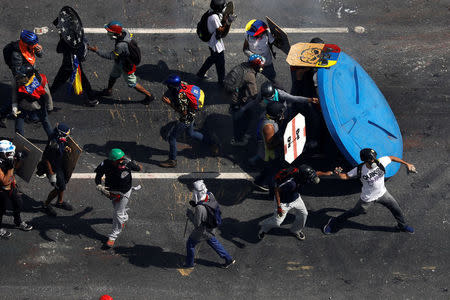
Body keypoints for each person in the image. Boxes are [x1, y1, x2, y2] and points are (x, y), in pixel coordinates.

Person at [322, 148, 417, 234]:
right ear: (365, 161)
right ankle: (334, 221)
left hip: (383, 193)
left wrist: (407, 164)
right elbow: (346, 176)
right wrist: (338, 174)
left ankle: (402, 226)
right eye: (371, 160)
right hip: (368, 199)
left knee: (396, 209)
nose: (374, 161)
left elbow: (391, 158)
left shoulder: (380, 162)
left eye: (374, 158)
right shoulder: (360, 169)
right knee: (354, 212)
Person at [159, 75, 219, 168]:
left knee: (172, 138)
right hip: (192, 113)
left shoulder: (181, 97)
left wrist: (169, 103)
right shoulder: (183, 84)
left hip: (186, 118)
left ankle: (172, 160)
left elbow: (183, 113)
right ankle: (212, 143)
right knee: (191, 133)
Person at [88, 21, 154, 104]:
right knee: (113, 75)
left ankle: (149, 95)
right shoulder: (124, 32)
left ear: (115, 33)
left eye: (109, 32)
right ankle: (108, 91)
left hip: (126, 65)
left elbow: (111, 56)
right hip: (119, 61)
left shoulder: (121, 46)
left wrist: (96, 51)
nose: (108, 33)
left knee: (132, 83)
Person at [258, 165, 325, 241]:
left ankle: (296, 230)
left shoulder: (303, 175)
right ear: (303, 177)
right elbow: (277, 191)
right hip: (283, 203)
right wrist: (279, 207)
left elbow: (316, 173)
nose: (310, 180)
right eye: (309, 179)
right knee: (277, 222)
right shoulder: (291, 183)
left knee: (304, 214)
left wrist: (328, 173)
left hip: (296, 199)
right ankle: (264, 228)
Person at [94, 148, 142, 248]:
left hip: (124, 192)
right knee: (118, 209)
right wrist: (99, 185)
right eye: (119, 160)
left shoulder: (127, 163)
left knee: (117, 213)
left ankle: (113, 236)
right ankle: (124, 218)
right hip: (111, 191)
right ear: (112, 161)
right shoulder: (106, 163)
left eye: (122, 158)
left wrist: (135, 164)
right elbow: (98, 176)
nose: (122, 161)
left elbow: (138, 168)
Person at [184, 180, 235, 269]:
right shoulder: (210, 195)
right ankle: (228, 259)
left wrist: (190, 214)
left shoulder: (200, 208)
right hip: (211, 227)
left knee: (190, 244)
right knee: (212, 241)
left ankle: (189, 264)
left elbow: (197, 223)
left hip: (201, 231)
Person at [50, 14, 99, 106]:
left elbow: (59, 50)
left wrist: (61, 38)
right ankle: (91, 97)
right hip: (76, 61)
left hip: (69, 64)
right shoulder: (76, 31)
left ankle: (46, 97)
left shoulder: (65, 38)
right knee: (83, 79)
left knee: (58, 82)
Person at [260, 81, 320, 150]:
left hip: (282, 112)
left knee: (287, 127)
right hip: (274, 114)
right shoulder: (263, 94)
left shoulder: (281, 94)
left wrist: (309, 100)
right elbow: (256, 101)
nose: (269, 99)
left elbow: (295, 98)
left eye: (271, 97)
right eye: (267, 98)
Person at [224, 54, 265, 146]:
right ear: (255, 66)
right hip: (237, 100)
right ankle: (238, 140)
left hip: (233, 95)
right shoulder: (250, 75)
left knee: (243, 117)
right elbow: (254, 94)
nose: (262, 68)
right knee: (240, 121)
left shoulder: (243, 66)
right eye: (260, 66)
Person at [196, 0, 235, 85]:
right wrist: (228, 22)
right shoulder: (214, 18)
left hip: (211, 41)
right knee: (220, 63)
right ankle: (222, 81)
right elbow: (221, 33)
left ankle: (200, 73)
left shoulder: (211, 12)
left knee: (213, 58)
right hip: (215, 44)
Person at [0, 140, 33, 239]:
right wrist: (10, 167)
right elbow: (5, 181)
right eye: (9, 153)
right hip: (1, 190)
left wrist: (19, 160)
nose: (11, 154)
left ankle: (18, 222)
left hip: (11, 187)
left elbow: (15, 170)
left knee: (18, 203)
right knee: (1, 210)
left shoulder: (7, 158)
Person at [39, 123, 74, 217]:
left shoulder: (59, 140)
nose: (67, 136)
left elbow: (62, 146)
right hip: (54, 168)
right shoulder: (53, 144)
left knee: (63, 183)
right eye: (66, 135)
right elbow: (46, 159)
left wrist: (65, 148)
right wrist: (51, 174)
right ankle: (45, 205)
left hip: (59, 164)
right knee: (59, 187)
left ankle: (60, 202)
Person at [253, 102, 286, 192]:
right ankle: (273, 192)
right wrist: (282, 140)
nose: (282, 114)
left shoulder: (268, 116)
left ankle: (259, 182)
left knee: (268, 169)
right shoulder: (269, 127)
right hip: (270, 155)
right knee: (273, 174)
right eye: (280, 112)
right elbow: (270, 145)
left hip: (266, 152)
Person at [14, 65, 53, 138]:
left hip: (35, 105)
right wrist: (14, 105)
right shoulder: (19, 81)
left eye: (23, 77)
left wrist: (49, 107)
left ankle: (52, 138)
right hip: (28, 105)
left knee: (45, 121)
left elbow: (47, 95)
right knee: (20, 121)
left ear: (28, 76)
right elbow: (14, 93)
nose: (20, 79)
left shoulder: (40, 80)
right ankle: (20, 138)